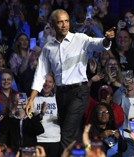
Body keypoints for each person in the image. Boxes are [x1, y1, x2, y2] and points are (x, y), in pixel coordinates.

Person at [25, 9, 115, 149]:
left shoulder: (80, 39)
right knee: (71, 132)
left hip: (79, 92)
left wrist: (107, 39)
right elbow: (40, 74)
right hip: (60, 94)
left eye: (66, 21)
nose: (64, 25)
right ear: (53, 24)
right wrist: (31, 99)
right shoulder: (48, 48)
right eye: (60, 22)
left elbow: (98, 44)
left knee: (66, 134)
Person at [33, 73, 61, 157]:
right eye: (45, 81)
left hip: (55, 139)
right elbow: (29, 121)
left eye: (50, 82)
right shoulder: (33, 99)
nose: (47, 84)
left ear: (53, 85)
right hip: (39, 139)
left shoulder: (58, 99)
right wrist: (41, 114)